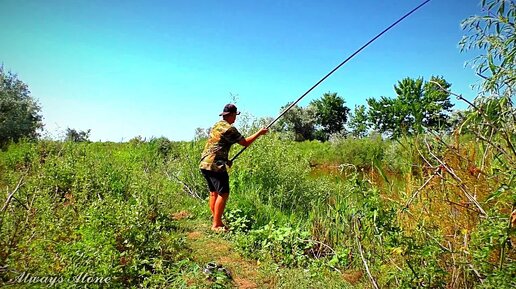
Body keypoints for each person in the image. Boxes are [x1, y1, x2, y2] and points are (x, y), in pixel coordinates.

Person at [199, 103, 268, 232]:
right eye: (235, 115)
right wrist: (260, 132)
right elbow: (245, 143)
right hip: (215, 165)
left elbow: (217, 145)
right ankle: (216, 225)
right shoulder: (230, 129)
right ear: (231, 115)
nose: (235, 118)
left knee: (213, 192)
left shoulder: (217, 125)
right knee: (223, 193)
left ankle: (216, 220)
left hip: (205, 162)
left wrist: (226, 160)